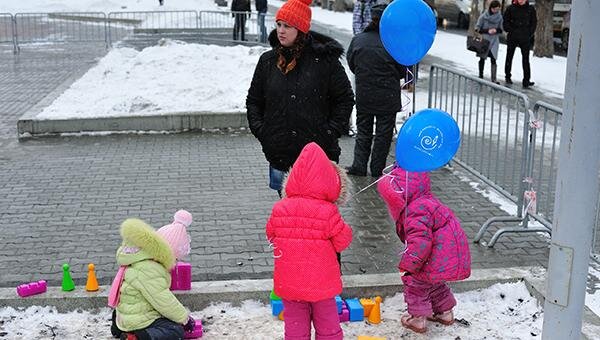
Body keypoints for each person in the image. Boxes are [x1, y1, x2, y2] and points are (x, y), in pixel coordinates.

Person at [246, 0, 354, 197]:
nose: (281, 31)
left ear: (301, 29)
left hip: (318, 155)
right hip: (280, 154)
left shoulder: (324, 61)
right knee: (288, 216)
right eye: (278, 24)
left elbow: (345, 99)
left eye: (287, 26)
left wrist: (329, 132)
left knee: (316, 218)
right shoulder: (268, 61)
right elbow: (254, 101)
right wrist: (263, 132)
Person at [266, 142, 353, 340]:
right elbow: (342, 242)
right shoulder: (328, 211)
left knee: (295, 326)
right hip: (322, 284)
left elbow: (271, 234)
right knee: (327, 324)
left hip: (290, 281)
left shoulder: (280, 208)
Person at [377, 165, 471, 334]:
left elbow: (420, 243)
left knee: (415, 283)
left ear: (400, 194)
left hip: (435, 254)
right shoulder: (425, 201)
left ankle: (418, 319)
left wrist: (408, 266)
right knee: (433, 282)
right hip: (445, 255)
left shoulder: (415, 211)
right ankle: (445, 313)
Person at [109, 214, 195, 340]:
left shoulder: (140, 259)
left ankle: (118, 328)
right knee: (175, 330)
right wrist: (184, 319)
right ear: (166, 253)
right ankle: (136, 337)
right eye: (175, 258)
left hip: (128, 313)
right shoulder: (151, 270)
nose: (175, 262)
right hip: (137, 320)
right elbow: (163, 301)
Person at [346, 4, 406, 178]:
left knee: (363, 132)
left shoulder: (358, 39)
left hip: (365, 95)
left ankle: (359, 166)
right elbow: (403, 70)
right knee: (383, 134)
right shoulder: (394, 42)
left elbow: (352, 64)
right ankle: (377, 168)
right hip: (388, 97)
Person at [503, 0, 536, 88]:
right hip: (513, 36)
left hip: (525, 37)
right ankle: (507, 76)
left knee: (526, 59)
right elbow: (505, 22)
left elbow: (534, 22)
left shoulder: (530, 9)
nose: (521, 1)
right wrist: (510, 30)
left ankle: (526, 80)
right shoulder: (510, 8)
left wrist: (529, 33)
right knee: (509, 56)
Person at [475, 0, 503, 84]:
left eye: (498, 9)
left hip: (494, 41)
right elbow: (478, 28)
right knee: (482, 58)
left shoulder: (500, 17)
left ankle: (493, 79)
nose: (496, 11)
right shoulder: (484, 16)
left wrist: (496, 30)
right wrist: (487, 31)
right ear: (491, 8)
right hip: (485, 40)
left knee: (493, 59)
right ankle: (480, 75)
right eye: (495, 9)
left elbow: (501, 29)